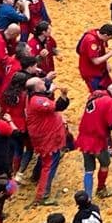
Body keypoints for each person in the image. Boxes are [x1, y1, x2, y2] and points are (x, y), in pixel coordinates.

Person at [26, 77, 70, 206]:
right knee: (49, 165)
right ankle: (42, 195)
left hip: (47, 136)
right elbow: (58, 106)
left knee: (46, 161)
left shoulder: (34, 97)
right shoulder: (37, 101)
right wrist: (63, 95)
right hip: (47, 138)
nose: (43, 83)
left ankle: (36, 178)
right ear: (36, 87)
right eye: (41, 83)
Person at [76, 83, 112, 199]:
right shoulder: (110, 102)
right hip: (98, 140)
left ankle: (88, 197)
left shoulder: (94, 96)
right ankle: (101, 189)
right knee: (105, 164)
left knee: (89, 169)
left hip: (84, 138)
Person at [77, 24, 112, 92]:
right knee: (98, 94)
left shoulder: (99, 35)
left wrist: (106, 63)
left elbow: (101, 52)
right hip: (91, 73)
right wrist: (111, 53)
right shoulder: (91, 41)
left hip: (100, 71)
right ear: (105, 35)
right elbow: (95, 61)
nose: (108, 40)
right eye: (109, 38)